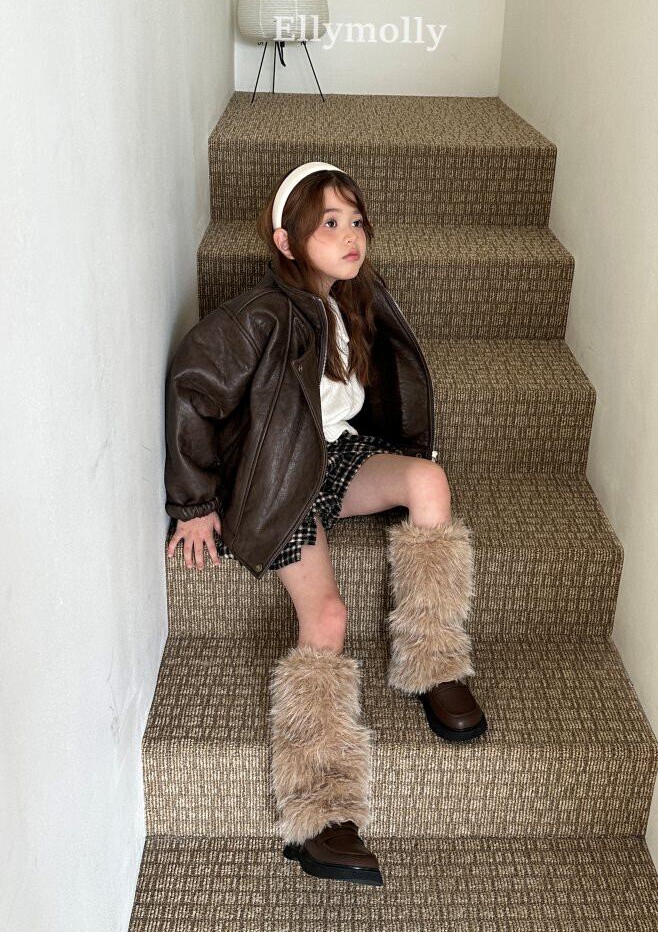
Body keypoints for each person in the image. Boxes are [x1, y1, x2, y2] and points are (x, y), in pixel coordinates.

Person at [164, 161, 488, 888]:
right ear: (286, 240)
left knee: (428, 482)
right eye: (329, 224)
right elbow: (191, 384)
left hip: (333, 458)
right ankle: (320, 817)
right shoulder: (260, 314)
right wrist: (194, 503)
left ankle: (433, 663)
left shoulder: (353, 300)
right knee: (330, 616)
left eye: (356, 220)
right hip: (277, 485)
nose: (351, 236)